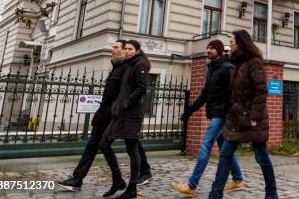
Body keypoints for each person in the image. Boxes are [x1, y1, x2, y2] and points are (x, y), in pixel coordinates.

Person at [57, 41, 152, 192]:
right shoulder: (117, 68)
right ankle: (143, 172)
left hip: (115, 113)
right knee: (118, 142)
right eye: (113, 47)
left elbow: (133, 90)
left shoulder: (127, 68)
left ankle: (78, 179)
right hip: (106, 113)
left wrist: (123, 106)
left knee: (98, 143)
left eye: (117, 48)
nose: (113, 50)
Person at [208, 30, 277, 199]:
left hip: (253, 120)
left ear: (240, 43)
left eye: (231, 41)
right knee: (225, 155)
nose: (229, 44)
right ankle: (215, 194)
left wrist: (254, 116)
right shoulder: (237, 63)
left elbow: (261, 91)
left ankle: (272, 193)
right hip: (236, 119)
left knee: (262, 157)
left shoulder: (254, 62)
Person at [172, 39, 244, 195]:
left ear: (219, 50)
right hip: (215, 113)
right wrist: (190, 110)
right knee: (225, 148)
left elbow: (234, 94)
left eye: (212, 48)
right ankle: (238, 180)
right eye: (208, 48)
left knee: (205, 145)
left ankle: (192, 185)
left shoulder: (227, 68)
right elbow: (205, 94)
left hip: (222, 115)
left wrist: (230, 115)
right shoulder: (211, 69)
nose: (208, 50)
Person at [99, 40, 151, 198]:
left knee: (132, 151)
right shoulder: (128, 65)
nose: (127, 51)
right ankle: (117, 180)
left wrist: (128, 101)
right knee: (104, 144)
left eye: (130, 49)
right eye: (126, 48)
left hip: (131, 115)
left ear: (137, 51)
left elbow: (142, 87)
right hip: (119, 113)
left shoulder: (140, 65)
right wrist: (117, 105)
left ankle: (132, 188)